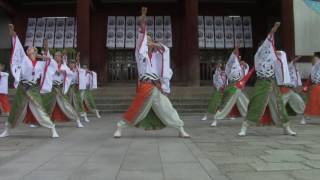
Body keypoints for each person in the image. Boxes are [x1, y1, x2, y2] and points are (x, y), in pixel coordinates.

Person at [113, 7, 190, 138]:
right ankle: (120, 127)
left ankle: (180, 128)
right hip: (145, 86)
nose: (147, 42)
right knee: (136, 110)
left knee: (167, 108)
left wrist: (155, 44)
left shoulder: (157, 56)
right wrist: (143, 16)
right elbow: (142, 31)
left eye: (149, 40)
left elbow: (165, 50)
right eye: (145, 40)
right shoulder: (140, 54)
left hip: (156, 87)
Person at [0, 24, 59, 138]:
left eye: (33, 48)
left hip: (33, 88)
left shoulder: (40, 64)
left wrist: (45, 53)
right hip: (23, 87)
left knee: (40, 108)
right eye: (30, 48)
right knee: (15, 110)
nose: (31, 49)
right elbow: (17, 46)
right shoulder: (23, 59)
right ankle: (7, 130)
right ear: (27, 52)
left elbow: (51, 64)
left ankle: (52, 129)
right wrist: (13, 33)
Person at [238, 22, 297, 136]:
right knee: (256, 103)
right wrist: (273, 30)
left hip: (272, 83)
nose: (270, 49)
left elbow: (281, 60)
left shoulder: (272, 56)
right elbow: (268, 42)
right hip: (261, 82)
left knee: (279, 105)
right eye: (268, 47)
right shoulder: (258, 55)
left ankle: (286, 127)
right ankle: (244, 127)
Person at [209, 44, 254, 127]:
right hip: (232, 86)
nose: (238, 58)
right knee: (224, 103)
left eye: (239, 57)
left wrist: (245, 65)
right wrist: (236, 48)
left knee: (246, 103)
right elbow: (232, 57)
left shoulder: (242, 66)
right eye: (236, 56)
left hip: (240, 87)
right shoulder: (229, 66)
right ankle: (216, 119)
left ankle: (250, 119)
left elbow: (246, 74)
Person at [41, 51, 84, 128]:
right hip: (52, 88)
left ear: (61, 57)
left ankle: (77, 120)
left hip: (60, 88)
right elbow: (46, 67)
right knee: (46, 104)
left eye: (58, 56)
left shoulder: (64, 66)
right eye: (55, 56)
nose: (56, 57)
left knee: (66, 105)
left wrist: (63, 71)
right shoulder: (51, 64)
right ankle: (41, 121)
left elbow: (70, 73)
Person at [279, 56, 306, 124]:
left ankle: (302, 118)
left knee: (299, 102)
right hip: (285, 88)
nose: (295, 62)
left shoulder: (296, 69)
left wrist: (299, 88)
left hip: (292, 90)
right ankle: (277, 119)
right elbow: (291, 63)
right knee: (281, 104)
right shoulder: (287, 66)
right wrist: (296, 59)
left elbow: (297, 80)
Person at [67, 58, 90, 123]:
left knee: (79, 102)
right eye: (71, 64)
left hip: (75, 88)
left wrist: (88, 71)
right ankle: (70, 116)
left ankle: (84, 116)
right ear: (69, 65)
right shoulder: (67, 70)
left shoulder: (77, 71)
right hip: (68, 88)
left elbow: (84, 71)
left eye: (73, 64)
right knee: (69, 102)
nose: (72, 65)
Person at [304, 52, 320, 120]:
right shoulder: (314, 68)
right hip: (314, 87)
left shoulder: (317, 66)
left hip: (317, 86)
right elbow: (309, 80)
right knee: (310, 103)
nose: (313, 61)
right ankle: (305, 117)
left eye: (315, 59)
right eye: (313, 59)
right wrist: (305, 88)